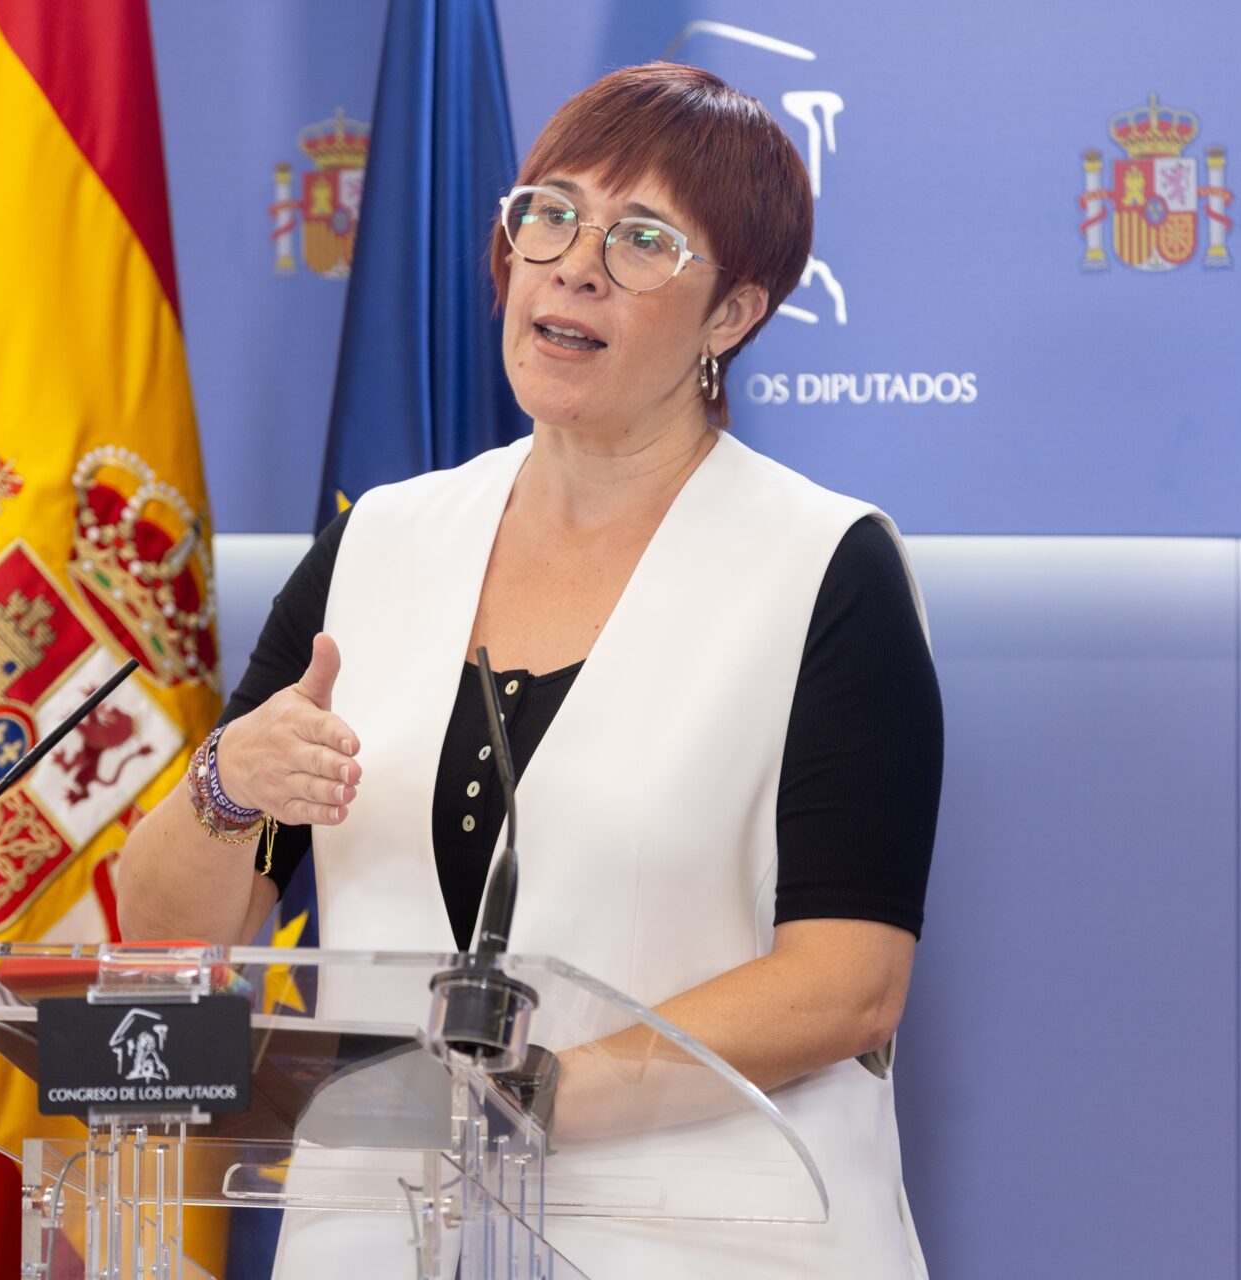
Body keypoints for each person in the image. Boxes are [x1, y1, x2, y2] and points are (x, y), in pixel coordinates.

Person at [119, 62, 943, 1278]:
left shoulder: (823, 564)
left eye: (643, 239)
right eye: (550, 214)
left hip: (700, 1240)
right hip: (382, 1235)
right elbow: (170, 933)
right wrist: (230, 782)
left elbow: (847, 984)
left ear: (731, 315)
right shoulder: (382, 540)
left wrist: (526, 1097)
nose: (573, 265)